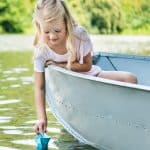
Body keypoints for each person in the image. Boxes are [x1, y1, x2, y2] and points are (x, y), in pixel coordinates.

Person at [33, 0, 137, 134]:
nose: (52, 36)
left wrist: (61, 65)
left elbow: (88, 66)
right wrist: (42, 118)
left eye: (57, 30)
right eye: (46, 31)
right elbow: (39, 87)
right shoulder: (41, 50)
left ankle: (127, 119)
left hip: (91, 77)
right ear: (39, 27)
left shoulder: (79, 35)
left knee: (131, 79)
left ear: (66, 22)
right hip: (69, 90)